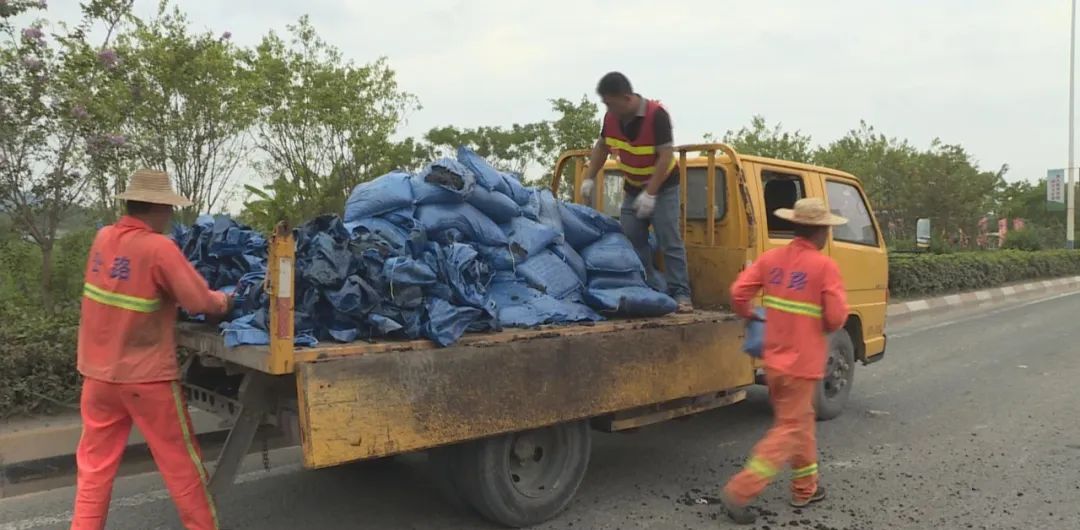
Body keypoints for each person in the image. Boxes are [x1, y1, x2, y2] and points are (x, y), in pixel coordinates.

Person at [72, 169, 232, 530]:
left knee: (94, 471)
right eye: (168, 210)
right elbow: (199, 300)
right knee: (181, 466)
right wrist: (227, 301)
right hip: (146, 380)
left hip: (97, 377)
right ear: (159, 207)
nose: (170, 217)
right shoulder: (158, 247)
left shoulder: (103, 239)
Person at [719, 197, 849, 525]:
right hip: (803, 365)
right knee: (790, 428)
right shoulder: (825, 267)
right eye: (826, 230)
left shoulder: (771, 259)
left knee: (800, 421)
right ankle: (740, 490)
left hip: (774, 361)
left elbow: (738, 293)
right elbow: (835, 319)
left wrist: (751, 316)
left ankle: (805, 488)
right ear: (819, 231)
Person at [581, 71, 693, 312]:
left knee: (668, 239)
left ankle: (681, 293)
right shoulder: (611, 118)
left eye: (610, 102)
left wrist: (651, 193)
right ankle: (649, 287)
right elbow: (602, 147)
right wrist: (589, 178)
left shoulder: (656, 116)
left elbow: (665, 157)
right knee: (632, 238)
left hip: (663, 186)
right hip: (632, 186)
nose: (607, 107)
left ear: (626, 97)